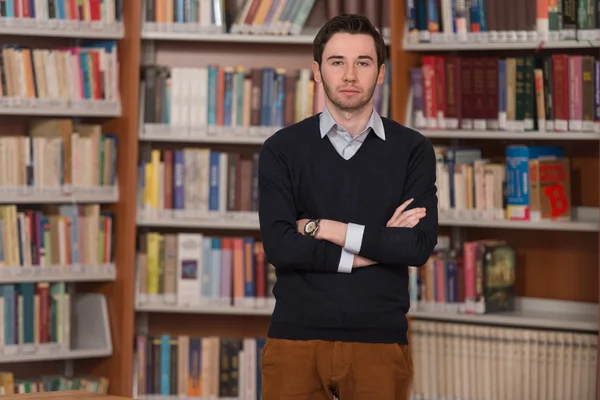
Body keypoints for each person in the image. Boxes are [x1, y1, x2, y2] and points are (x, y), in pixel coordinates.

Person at [257, 13, 438, 400]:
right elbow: (280, 246)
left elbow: (416, 246)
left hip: (379, 341)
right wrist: (372, 248)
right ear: (317, 72)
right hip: (295, 339)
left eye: (364, 62)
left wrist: (324, 227)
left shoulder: (413, 151)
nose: (350, 75)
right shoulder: (281, 149)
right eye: (337, 62)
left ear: (381, 73)